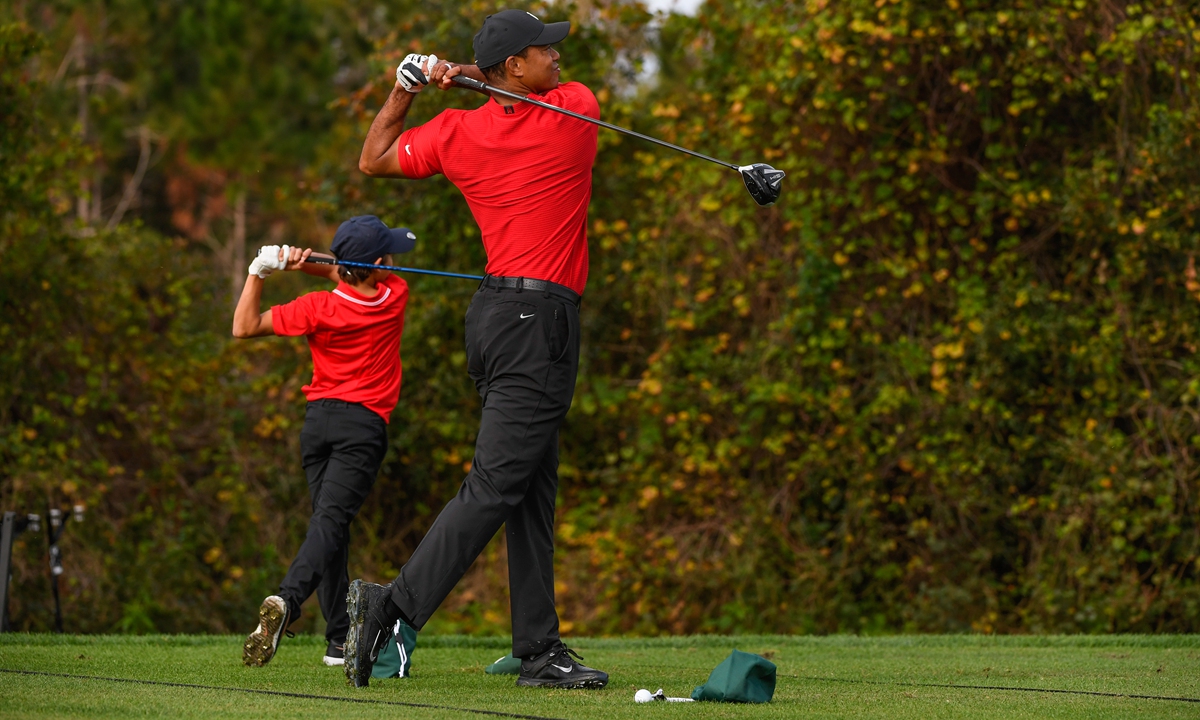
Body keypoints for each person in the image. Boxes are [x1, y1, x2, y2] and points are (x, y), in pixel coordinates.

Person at [345, 9, 607, 690]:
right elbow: (569, 92)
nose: (556, 58)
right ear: (514, 68)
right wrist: (468, 75)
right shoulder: (573, 113)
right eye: (542, 51)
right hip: (539, 321)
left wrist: (408, 88)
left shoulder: (457, 130)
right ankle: (394, 606)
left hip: (493, 318)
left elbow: (372, 158)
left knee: (529, 487)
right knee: (496, 483)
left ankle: (539, 649)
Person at [234, 215, 415, 670]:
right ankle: (288, 602)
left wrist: (261, 271)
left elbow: (244, 326)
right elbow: (345, 270)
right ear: (376, 265)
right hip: (362, 428)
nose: (394, 259)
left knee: (330, 527)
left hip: (318, 425)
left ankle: (337, 641)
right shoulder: (394, 295)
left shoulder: (316, 307)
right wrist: (304, 262)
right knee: (330, 524)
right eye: (387, 255)